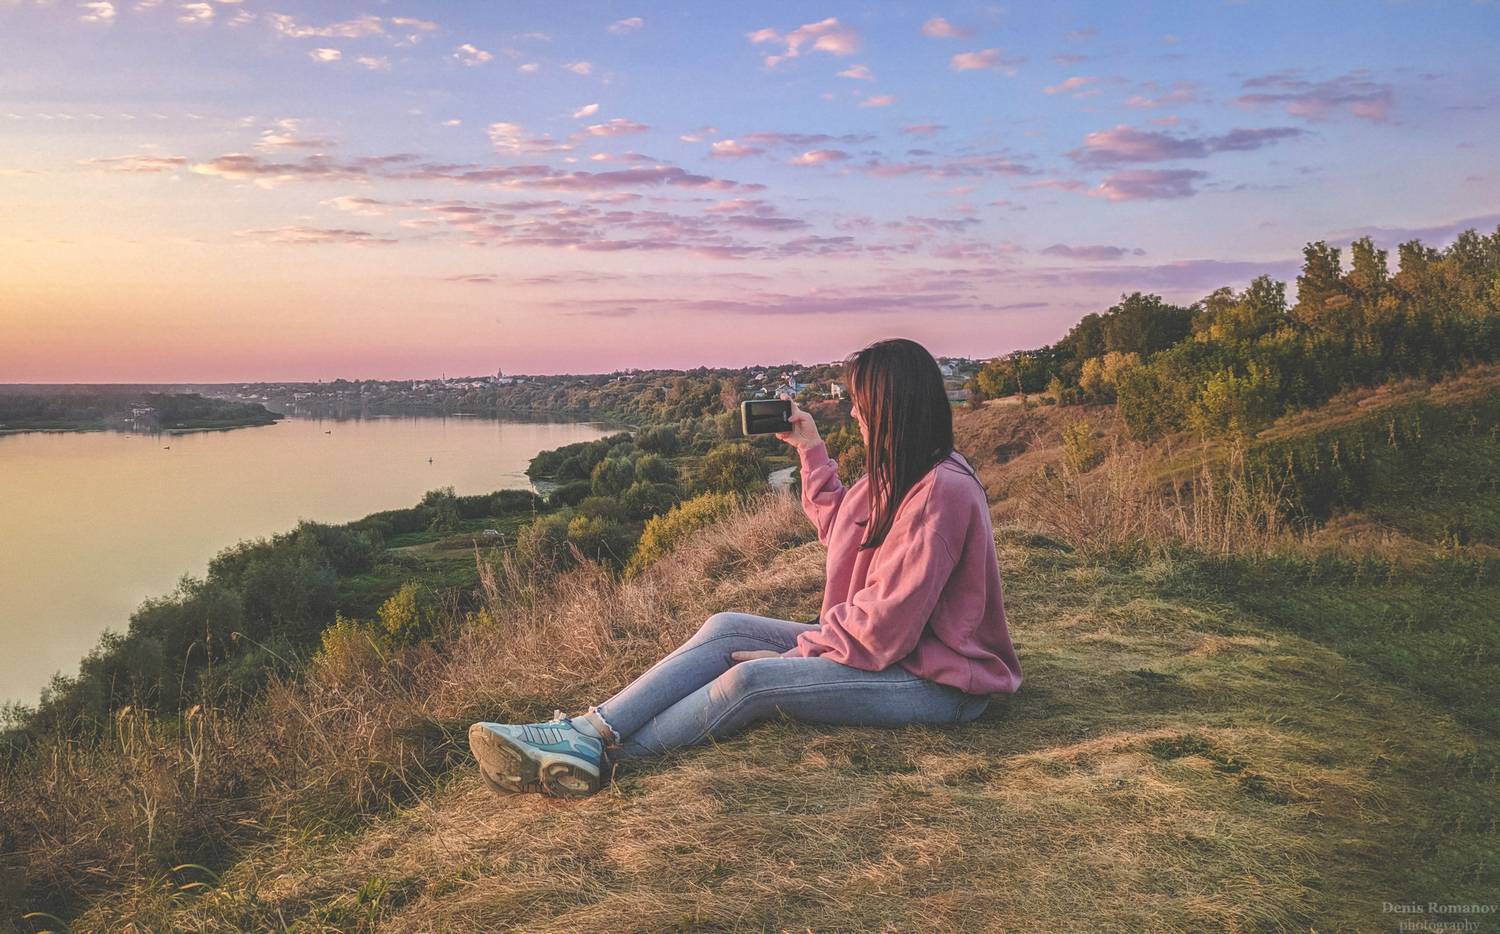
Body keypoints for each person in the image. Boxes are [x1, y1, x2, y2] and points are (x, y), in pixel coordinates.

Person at [468, 338, 1023, 798]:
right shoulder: (901, 472)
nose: (852, 411)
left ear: (890, 405)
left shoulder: (940, 491)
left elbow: (883, 631)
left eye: (858, 400)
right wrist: (810, 450)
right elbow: (842, 534)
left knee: (751, 680)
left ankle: (610, 760)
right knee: (726, 626)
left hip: (936, 681)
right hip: (900, 653)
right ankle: (583, 732)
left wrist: (796, 652)